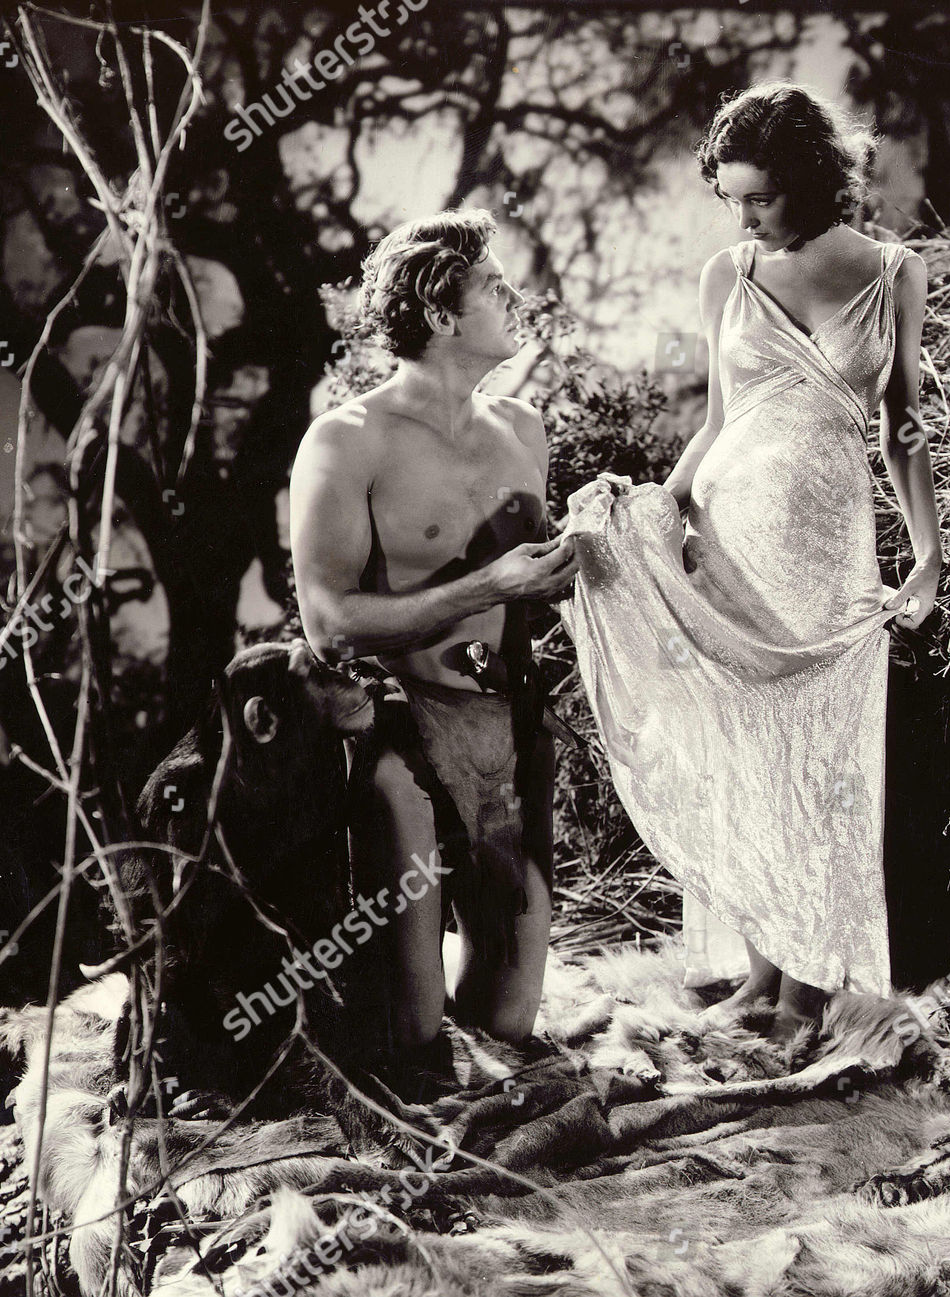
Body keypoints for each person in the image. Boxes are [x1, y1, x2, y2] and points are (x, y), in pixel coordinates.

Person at [561, 82, 943, 1044]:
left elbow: (903, 430)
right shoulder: (726, 273)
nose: (743, 214)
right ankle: (761, 977)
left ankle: (809, 992)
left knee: (821, 759)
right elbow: (722, 420)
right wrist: (658, 507)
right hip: (733, 533)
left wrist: (929, 558)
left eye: (761, 196)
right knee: (743, 750)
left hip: (828, 549)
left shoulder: (893, 271)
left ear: (812, 181)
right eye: (730, 195)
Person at [290, 210, 578, 1091]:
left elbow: (538, 592)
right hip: (406, 739)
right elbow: (328, 622)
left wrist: (587, 557)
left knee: (506, 1023)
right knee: (414, 1044)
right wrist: (488, 586)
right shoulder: (348, 441)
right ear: (441, 312)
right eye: (494, 285)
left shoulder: (524, 429)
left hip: (512, 730)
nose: (515, 297)